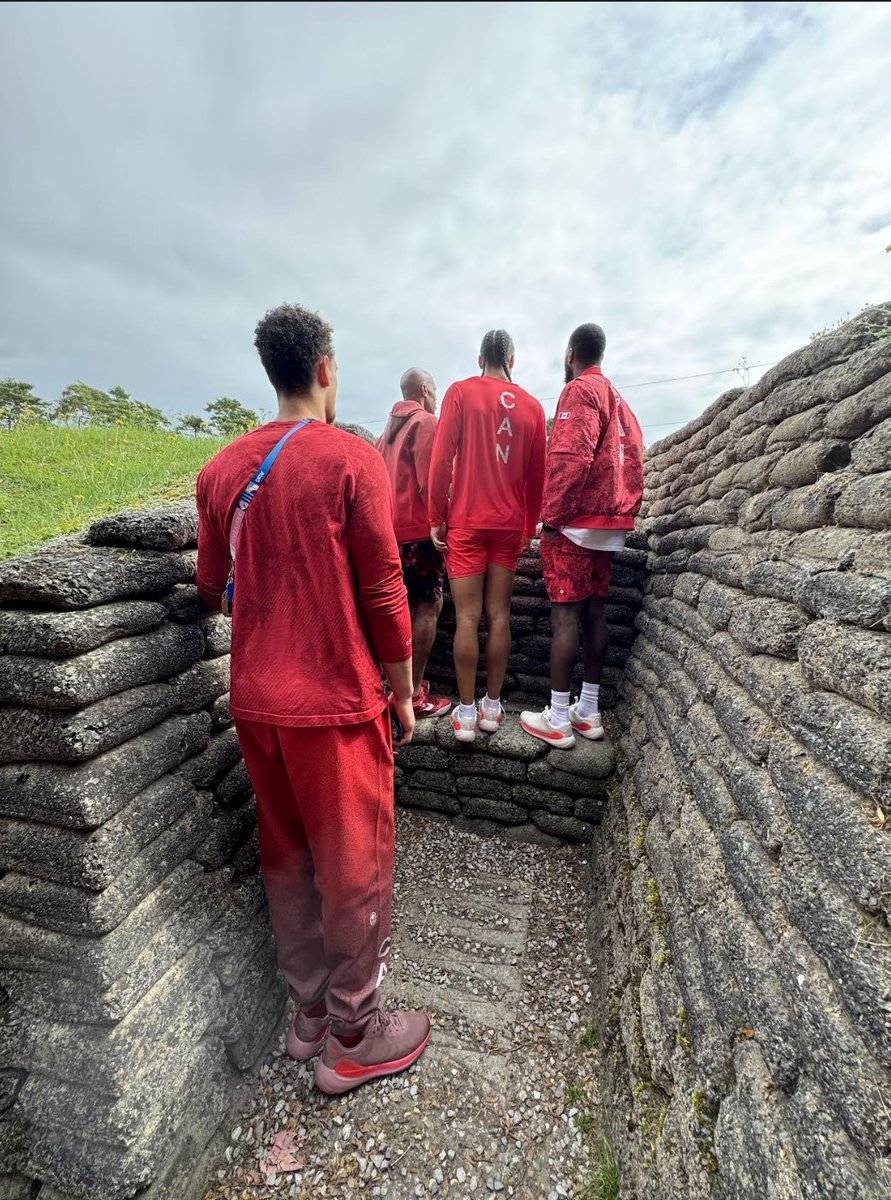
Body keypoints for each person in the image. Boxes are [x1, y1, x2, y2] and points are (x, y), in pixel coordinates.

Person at [195, 303, 430, 1095]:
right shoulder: (351, 460)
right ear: (326, 369)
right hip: (334, 700)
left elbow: (211, 589)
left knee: (287, 855)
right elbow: (384, 590)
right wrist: (400, 693)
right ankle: (358, 1032)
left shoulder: (221, 472)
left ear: (274, 374)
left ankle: (308, 1016)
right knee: (353, 863)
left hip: (258, 701)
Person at [521, 323, 644, 749]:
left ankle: (557, 717)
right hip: (609, 525)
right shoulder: (620, 401)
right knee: (595, 613)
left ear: (571, 354)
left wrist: (551, 517)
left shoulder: (579, 390)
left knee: (564, 618)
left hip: (575, 524)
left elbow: (571, 457)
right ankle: (588, 711)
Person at [428, 329, 547, 742]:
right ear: (512, 361)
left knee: (466, 617)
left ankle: (464, 713)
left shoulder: (460, 393)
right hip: (509, 523)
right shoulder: (532, 407)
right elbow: (538, 479)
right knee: (499, 616)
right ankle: (492, 708)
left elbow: (441, 459)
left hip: (466, 521)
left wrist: (435, 516)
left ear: (481, 358)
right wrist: (529, 525)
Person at [376, 368, 449, 720]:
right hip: (420, 534)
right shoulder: (425, 423)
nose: (435, 399)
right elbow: (430, 482)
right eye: (435, 392)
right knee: (428, 606)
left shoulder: (384, 434)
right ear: (423, 390)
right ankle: (413, 693)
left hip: (389, 536)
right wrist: (444, 522)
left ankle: (394, 688)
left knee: (399, 610)